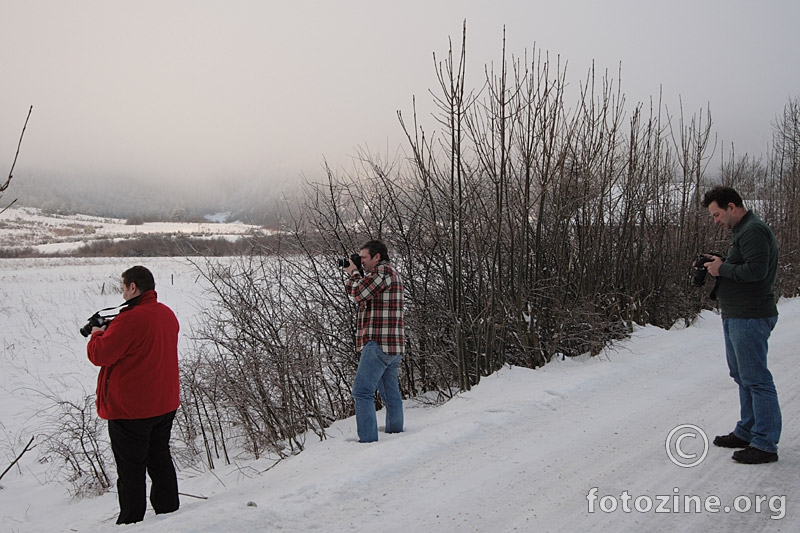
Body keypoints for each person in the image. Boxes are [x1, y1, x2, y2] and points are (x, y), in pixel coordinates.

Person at [86, 265, 181, 523]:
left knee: (130, 470)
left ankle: (131, 522)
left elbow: (99, 355)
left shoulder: (130, 319)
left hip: (131, 409)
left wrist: (97, 334)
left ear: (133, 287)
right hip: (164, 403)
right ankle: (170, 513)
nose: (123, 294)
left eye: (123, 288)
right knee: (160, 459)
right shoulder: (166, 314)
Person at [701, 186, 781, 464]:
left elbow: (757, 272)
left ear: (732, 207)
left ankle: (765, 443)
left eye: (717, 214)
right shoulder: (742, 232)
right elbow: (744, 266)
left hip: (750, 316)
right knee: (742, 376)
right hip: (738, 315)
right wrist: (720, 263)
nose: (716, 221)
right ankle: (748, 430)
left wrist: (722, 269)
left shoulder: (753, 230)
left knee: (757, 380)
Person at [343, 240, 405, 443]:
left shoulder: (383, 273)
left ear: (377, 256)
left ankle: (367, 442)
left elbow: (359, 293)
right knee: (389, 393)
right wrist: (358, 274)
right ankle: (396, 434)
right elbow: (366, 289)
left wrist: (353, 273)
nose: (362, 262)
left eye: (364, 258)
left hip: (378, 343)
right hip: (391, 345)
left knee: (361, 391)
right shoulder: (387, 273)